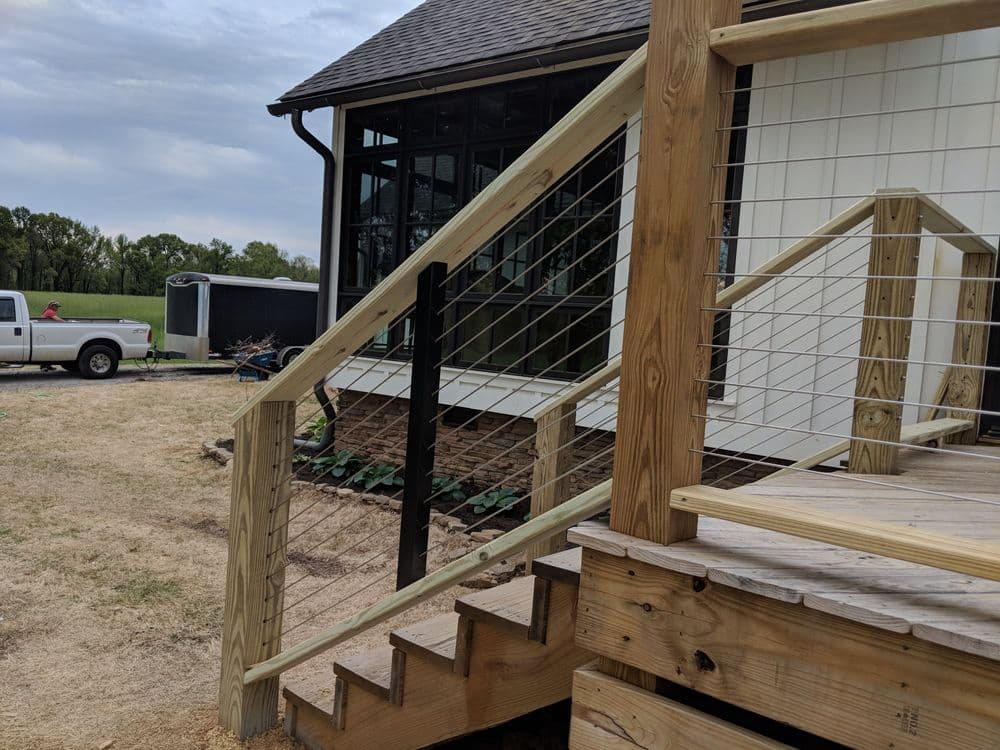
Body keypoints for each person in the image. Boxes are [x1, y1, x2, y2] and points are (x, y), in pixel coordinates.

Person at [40, 301, 64, 371]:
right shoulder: (50, 311)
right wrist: (67, 323)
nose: (57, 308)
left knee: (47, 349)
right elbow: (58, 320)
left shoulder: (48, 311)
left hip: (45, 331)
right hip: (45, 332)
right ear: (52, 306)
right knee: (47, 349)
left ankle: (47, 365)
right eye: (56, 306)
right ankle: (44, 366)